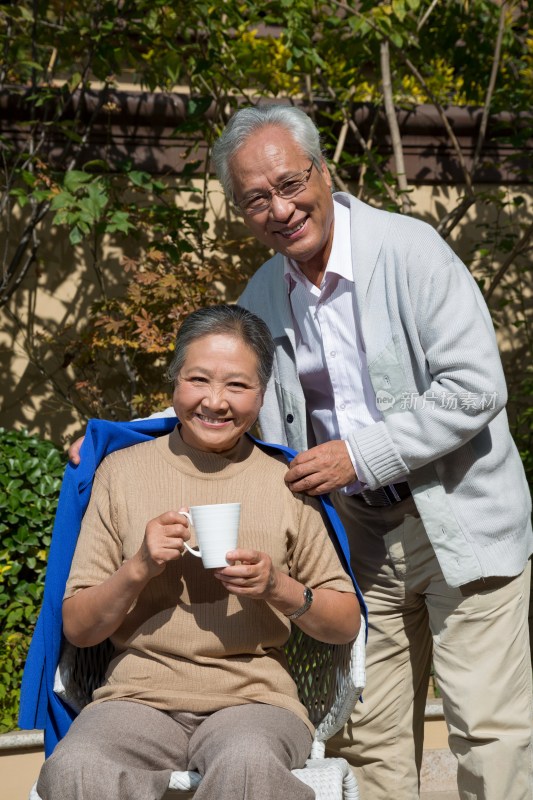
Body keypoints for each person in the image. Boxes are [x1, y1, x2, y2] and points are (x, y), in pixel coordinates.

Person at [68, 105, 533, 800]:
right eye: (256, 198)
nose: (279, 208)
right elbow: (224, 391)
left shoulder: (411, 251)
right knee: (371, 742)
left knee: (487, 731)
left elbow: (473, 388)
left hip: (461, 517)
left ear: (322, 170)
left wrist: (360, 455)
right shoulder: (263, 292)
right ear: (240, 210)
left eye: (289, 183)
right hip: (359, 538)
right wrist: (109, 435)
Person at [36, 304, 360, 800]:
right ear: (174, 385)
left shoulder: (287, 482)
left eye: (237, 385)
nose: (215, 401)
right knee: (77, 767)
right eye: (199, 380)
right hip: (136, 699)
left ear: (262, 393)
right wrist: (140, 566)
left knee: (248, 764)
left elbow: (345, 623)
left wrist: (279, 586)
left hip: (256, 701)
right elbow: (80, 629)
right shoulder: (120, 473)